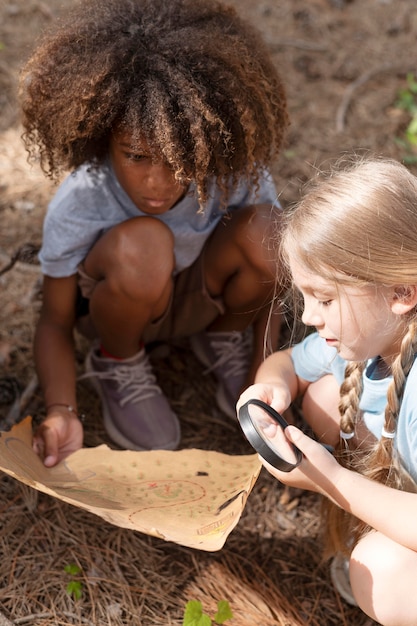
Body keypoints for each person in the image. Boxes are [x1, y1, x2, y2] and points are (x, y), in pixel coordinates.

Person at [19, 0, 288, 466]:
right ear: (103, 138)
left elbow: (278, 273)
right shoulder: (84, 198)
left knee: (271, 230)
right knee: (145, 243)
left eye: (179, 159)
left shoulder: (235, 174)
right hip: (123, 305)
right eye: (136, 156)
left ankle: (223, 336)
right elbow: (55, 322)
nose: (157, 184)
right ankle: (118, 361)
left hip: (204, 294)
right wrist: (61, 409)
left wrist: (265, 374)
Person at [237, 156, 417, 625]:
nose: (312, 317)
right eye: (305, 297)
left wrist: (333, 481)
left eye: (326, 298)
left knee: (381, 570)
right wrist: (267, 392)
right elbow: (286, 364)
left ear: (401, 292)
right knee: (321, 395)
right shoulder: (370, 334)